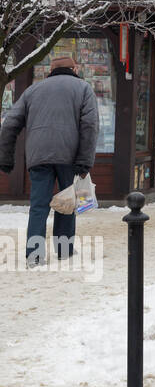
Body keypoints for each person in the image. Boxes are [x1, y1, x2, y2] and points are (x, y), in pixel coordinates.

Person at [0, 55, 98, 265]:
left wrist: (5, 157)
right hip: (68, 156)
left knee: (39, 206)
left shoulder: (33, 91)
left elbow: (9, 124)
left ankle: (34, 256)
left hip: (38, 156)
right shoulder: (83, 88)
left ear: (49, 72)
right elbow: (90, 126)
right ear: (74, 68)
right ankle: (64, 250)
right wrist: (85, 160)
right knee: (67, 201)